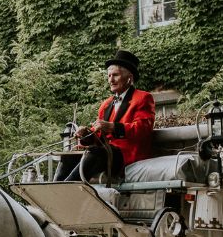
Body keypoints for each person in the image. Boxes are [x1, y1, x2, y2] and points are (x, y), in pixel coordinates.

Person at [56, 50, 156, 182]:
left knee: (98, 153)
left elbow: (143, 129)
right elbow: (98, 137)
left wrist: (112, 127)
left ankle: (66, 188)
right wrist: (86, 134)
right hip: (105, 154)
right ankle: (54, 189)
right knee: (70, 155)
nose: (111, 80)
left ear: (129, 77)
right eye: (109, 76)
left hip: (125, 156)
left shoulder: (143, 97)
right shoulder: (106, 104)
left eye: (115, 75)